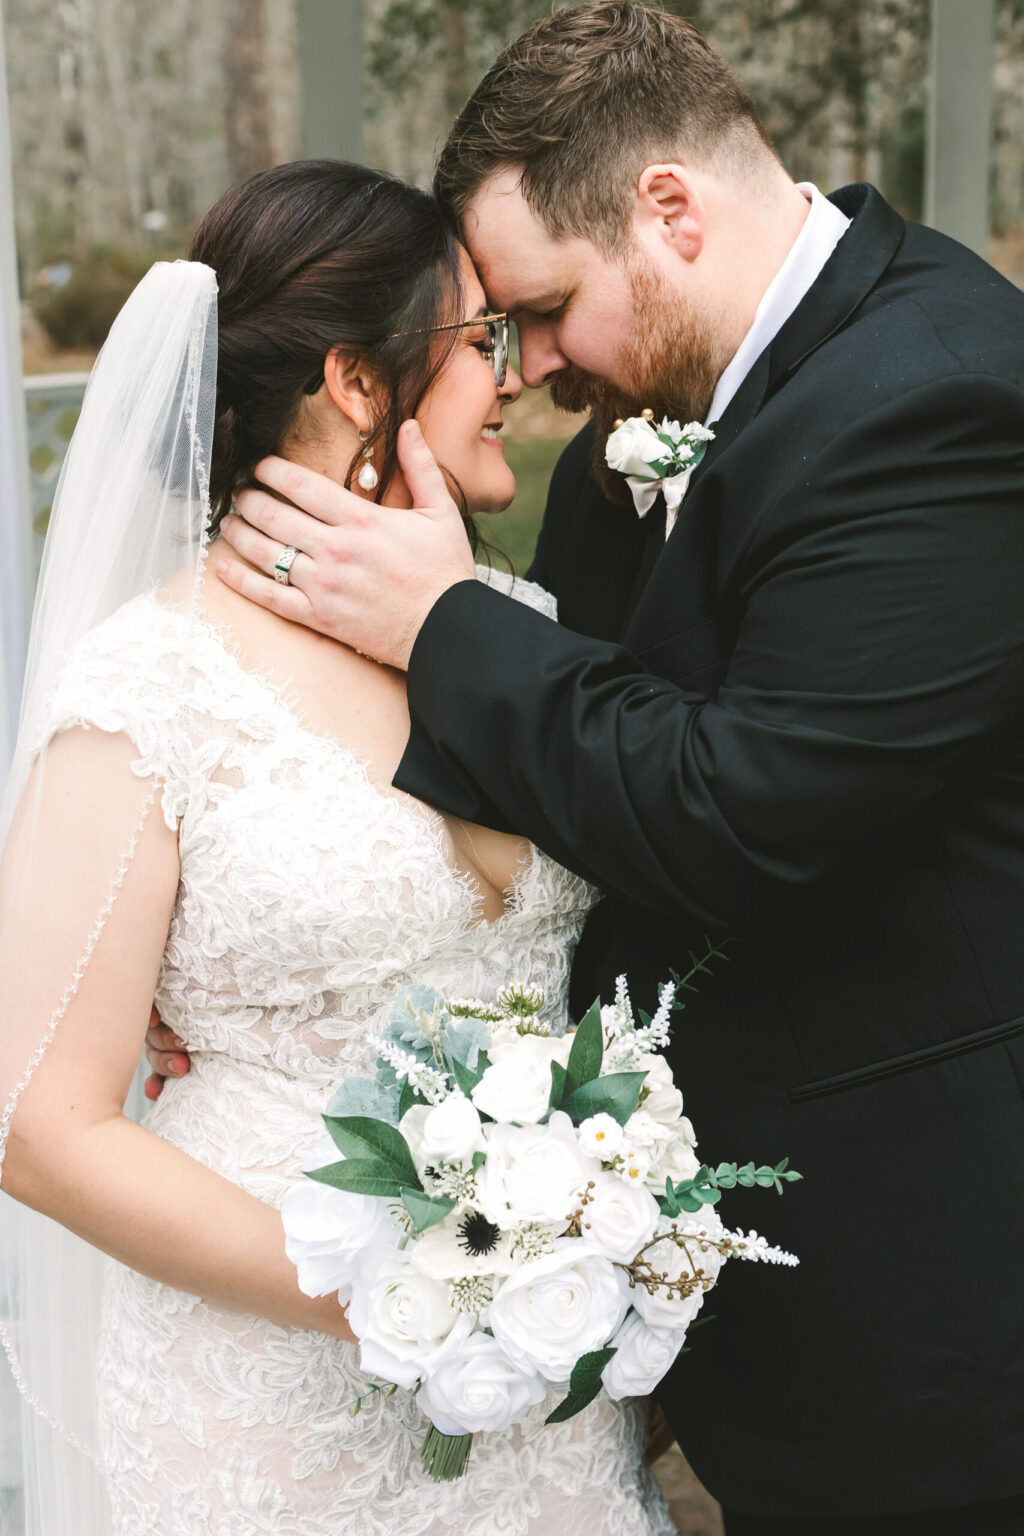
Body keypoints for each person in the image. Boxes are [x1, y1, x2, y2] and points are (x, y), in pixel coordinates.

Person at [174, 6, 1024, 1533]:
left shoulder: (948, 393)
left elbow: (736, 814)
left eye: (549, 309)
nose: (541, 368)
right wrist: (233, 1001)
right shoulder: (620, 450)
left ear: (669, 210)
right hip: (669, 1334)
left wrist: (439, 618)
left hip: (930, 1322)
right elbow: (553, 815)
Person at [0, 160, 676, 1536]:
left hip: (543, 1400)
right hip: (272, 1400)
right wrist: (409, 1294)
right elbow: (37, 1123)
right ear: (359, 385)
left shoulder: (519, 624)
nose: (518, 375)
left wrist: (556, 1269)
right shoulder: (156, 684)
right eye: (480, 339)